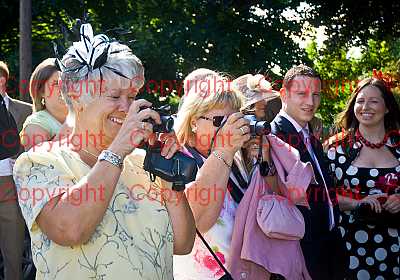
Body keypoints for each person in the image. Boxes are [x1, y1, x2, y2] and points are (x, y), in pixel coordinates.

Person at [13, 24, 195, 279]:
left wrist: (168, 174)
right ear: (77, 97)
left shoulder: (144, 163)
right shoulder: (38, 161)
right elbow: (70, 229)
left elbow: (182, 243)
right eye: (114, 96)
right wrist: (117, 150)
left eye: (132, 97)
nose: (127, 107)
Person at [270, 64, 346, 280]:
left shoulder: (310, 136)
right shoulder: (275, 137)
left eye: (316, 95)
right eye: (302, 94)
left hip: (330, 247)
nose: (311, 102)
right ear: (284, 94)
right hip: (302, 253)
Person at [326, 76, 400, 280]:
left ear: (387, 108)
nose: (366, 107)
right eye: (360, 101)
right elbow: (323, 196)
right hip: (350, 247)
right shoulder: (336, 149)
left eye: (374, 101)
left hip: (396, 246)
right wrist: (357, 203)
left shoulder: (398, 147)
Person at [0, 61, 32, 280]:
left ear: (2, 80)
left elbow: (37, 148)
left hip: (12, 190)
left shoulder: (26, 110)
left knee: (13, 254)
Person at [20, 58, 68, 150]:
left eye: (67, 82)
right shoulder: (34, 124)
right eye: (56, 83)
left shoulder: (82, 116)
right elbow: (44, 161)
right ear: (41, 92)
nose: (64, 87)